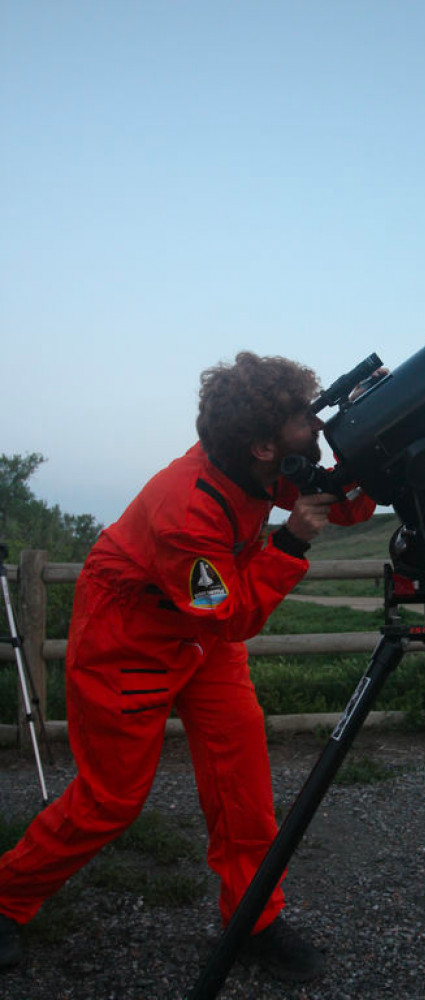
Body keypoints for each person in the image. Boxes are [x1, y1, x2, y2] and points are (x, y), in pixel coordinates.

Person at [0, 351, 376, 982]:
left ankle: (253, 916)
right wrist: (287, 545)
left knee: (243, 778)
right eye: (300, 416)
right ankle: (7, 897)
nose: (315, 422)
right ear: (261, 445)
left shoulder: (261, 465)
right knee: (109, 801)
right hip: (131, 636)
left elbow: (340, 505)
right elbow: (229, 616)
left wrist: (371, 465)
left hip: (204, 632)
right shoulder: (186, 510)